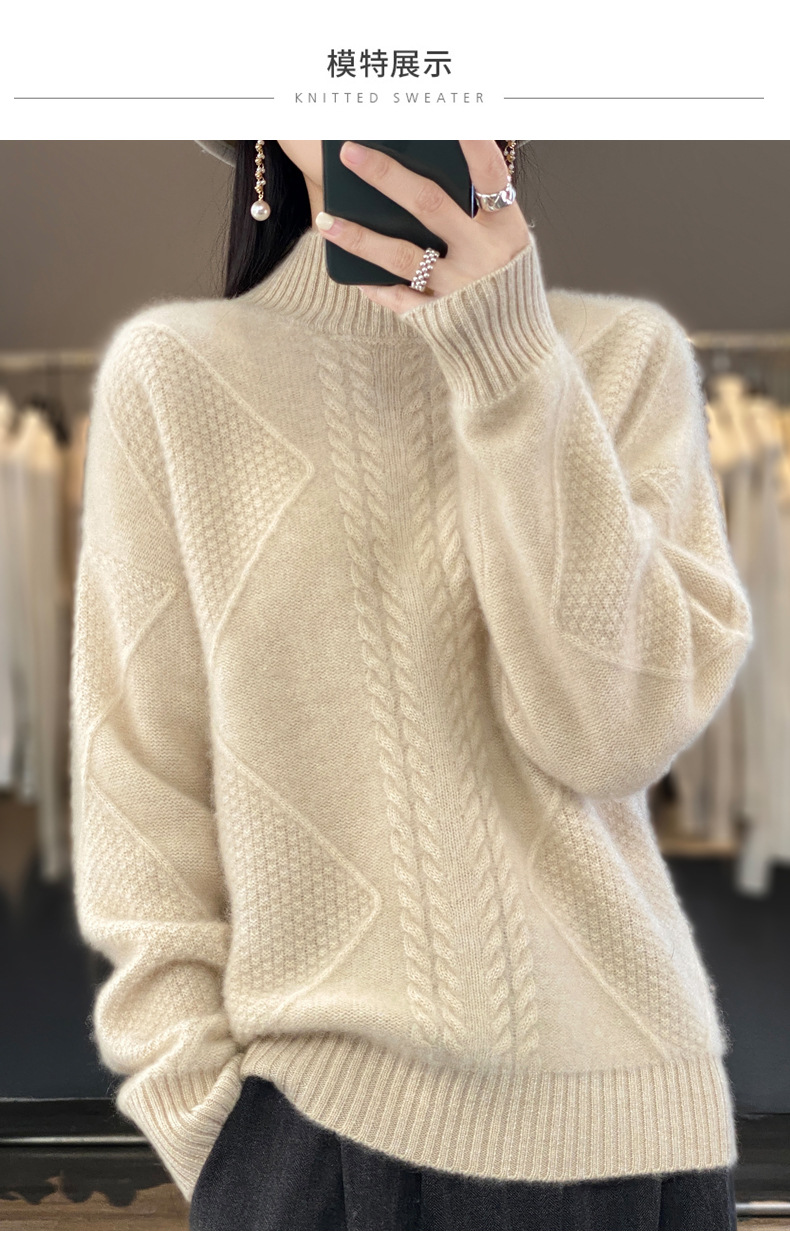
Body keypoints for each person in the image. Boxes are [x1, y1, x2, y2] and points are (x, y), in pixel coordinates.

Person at [69, 139, 752, 1230]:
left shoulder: (620, 357)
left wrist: (507, 353)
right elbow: (141, 789)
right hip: (313, 1133)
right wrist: (215, 1128)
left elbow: (613, 735)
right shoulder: (178, 374)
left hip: (622, 1142)